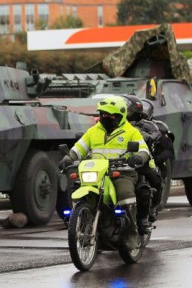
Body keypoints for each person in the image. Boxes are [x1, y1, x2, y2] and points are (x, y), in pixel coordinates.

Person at [58, 96, 152, 240]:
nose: (105, 117)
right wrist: (68, 158)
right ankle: (82, 223)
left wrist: (138, 157)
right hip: (97, 172)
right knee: (77, 189)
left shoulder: (131, 131)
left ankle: (131, 235)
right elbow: (78, 149)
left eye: (110, 115)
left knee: (125, 195)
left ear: (120, 116)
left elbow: (144, 151)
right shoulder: (93, 131)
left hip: (122, 173)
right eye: (103, 114)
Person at [122, 95, 163, 229]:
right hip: (115, 162)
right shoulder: (117, 124)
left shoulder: (147, 125)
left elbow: (156, 135)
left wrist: (147, 136)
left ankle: (147, 214)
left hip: (141, 162)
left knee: (150, 185)